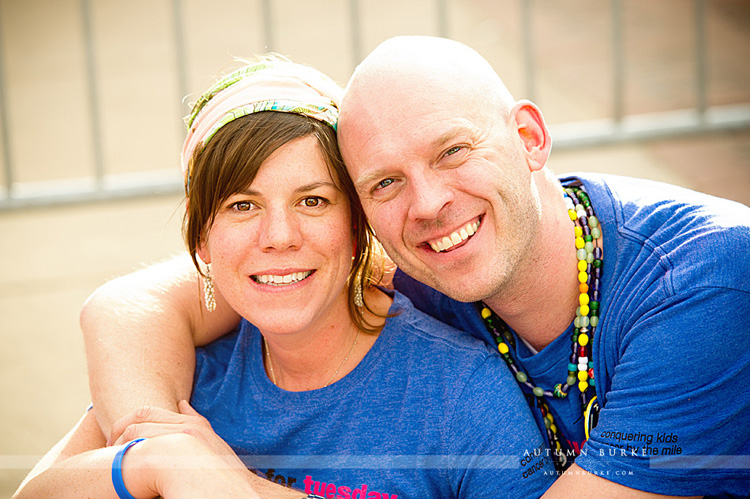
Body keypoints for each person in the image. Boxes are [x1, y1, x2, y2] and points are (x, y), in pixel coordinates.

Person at [77, 37, 749, 498]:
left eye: (453, 151)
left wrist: (209, 476)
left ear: (529, 138)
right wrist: (155, 440)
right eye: (387, 182)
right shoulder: (425, 266)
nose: (429, 205)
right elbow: (134, 303)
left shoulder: (706, 285)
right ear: (363, 216)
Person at [13, 57, 556, 499]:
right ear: (201, 240)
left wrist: (228, 485)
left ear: (356, 225)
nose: (278, 236)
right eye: (242, 205)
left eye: (313, 200)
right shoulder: (188, 370)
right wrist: (157, 460)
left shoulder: (459, 391)